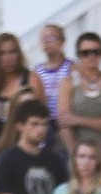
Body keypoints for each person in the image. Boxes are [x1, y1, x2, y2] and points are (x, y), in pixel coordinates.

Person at [57, 32, 101, 179]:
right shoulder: (68, 83)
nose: (91, 56)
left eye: (96, 52)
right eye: (85, 53)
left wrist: (78, 120)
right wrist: (77, 155)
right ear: (78, 56)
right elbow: (64, 124)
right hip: (78, 160)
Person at [0, 32, 46, 168]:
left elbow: (41, 116)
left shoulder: (31, 80)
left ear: (19, 54)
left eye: (12, 52)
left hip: (23, 149)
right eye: (2, 53)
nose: (7, 58)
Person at [35, 24, 74, 160]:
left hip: (67, 123)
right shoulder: (37, 71)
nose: (46, 41)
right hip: (46, 123)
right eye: (43, 38)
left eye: (51, 37)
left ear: (62, 42)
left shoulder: (72, 67)